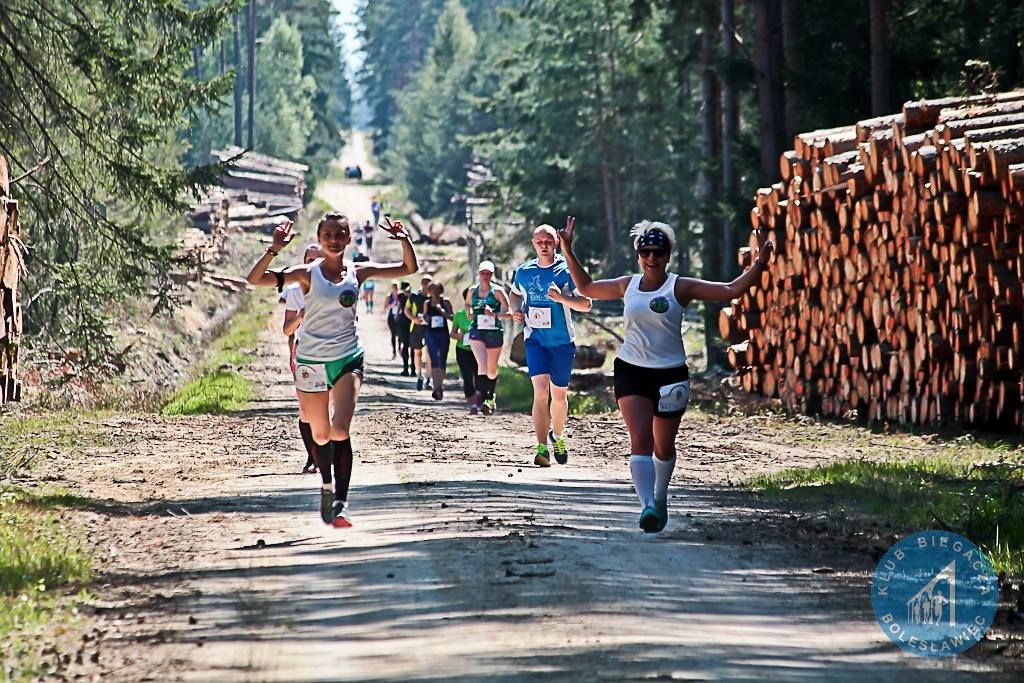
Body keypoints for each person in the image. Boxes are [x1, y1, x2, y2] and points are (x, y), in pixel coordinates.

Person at [557, 216, 773, 533]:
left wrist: (760, 264)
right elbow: (586, 287)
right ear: (638, 256)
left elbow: (730, 290)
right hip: (631, 369)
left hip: (670, 374)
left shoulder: (680, 286)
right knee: (640, 439)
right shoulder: (626, 285)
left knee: (663, 446)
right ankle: (646, 507)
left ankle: (660, 498)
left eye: (658, 252)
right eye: (646, 252)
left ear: (668, 255)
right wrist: (567, 248)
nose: (652, 258)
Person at [246, 213, 418, 527]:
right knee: (321, 433)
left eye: (340, 234)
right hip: (311, 361)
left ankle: (341, 502)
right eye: (328, 234)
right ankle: (326, 484)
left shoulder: (358, 271)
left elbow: (408, 269)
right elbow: (255, 279)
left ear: (349, 238)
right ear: (320, 237)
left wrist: (403, 239)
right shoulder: (306, 274)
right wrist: (273, 249)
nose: (334, 240)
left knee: (340, 429)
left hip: (348, 358)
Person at [510, 224, 592, 467]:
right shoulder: (524, 271)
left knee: (558, 396)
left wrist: (562, 298)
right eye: (539, 241)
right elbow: (515, 294)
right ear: (533, 244)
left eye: (548, 241)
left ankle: (557, 435)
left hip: (562, 343)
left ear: (556, 242)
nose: (544, 245)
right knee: (541, 391)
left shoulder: (567, 270)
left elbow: (586, 304)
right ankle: (541, 448)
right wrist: (515, 310)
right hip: (535, 340)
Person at [281, 243, 324, 473]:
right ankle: (312, 457)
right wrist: (300, 316)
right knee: (307, 410)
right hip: (305, 351)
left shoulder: (335, 287)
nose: (312, 264)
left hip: (331, 352)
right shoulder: (295, 291)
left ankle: (325, 454)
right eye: (309, 259)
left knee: (326, 407)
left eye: (317, 260)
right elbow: (287, 330)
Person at [466, 260, 511, 415]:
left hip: (494, 332)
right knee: (482, 365)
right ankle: (479, 399)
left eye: (488, 273)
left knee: (491, 369)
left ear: (492, 275)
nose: (485, 276)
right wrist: (469, 312)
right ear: (479, 274)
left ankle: (490, 397)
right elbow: (467, 305)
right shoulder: (472, 291)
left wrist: (494, 314)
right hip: (477, 331)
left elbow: (509, 313)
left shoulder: (497, 292)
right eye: (482, 273)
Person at [423, 282, 454, 400]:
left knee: (442, 360)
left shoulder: (445, 302)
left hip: (443, 334)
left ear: (440, 290)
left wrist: (441, 311)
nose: (434, 292)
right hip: (430, 333)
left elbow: (452, 317)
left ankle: (440, 386)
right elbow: (424, 316)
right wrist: (427, 318)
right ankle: (436, 389)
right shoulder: (427, 303)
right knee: (434, 359)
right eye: (431, 289)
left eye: (436, 289)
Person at [404, 275, 433, 391]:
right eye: (424, 282)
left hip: (431, 328)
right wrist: (413, 319)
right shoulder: (414, 296)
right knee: (417, 352)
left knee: (429, 354)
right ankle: (419, 375)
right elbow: (406, 310)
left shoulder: (434, 298)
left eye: (428, 282)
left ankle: (429, 379)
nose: (426, 285)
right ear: (421, 283)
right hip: (417, 328)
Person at [450, 287, 478, 406]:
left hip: (478, 350)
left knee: (479, 377)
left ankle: (480, 402)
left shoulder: (482, 313)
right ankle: (472, 404)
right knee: (467, 377)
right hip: (463, 350)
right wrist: (459, 335)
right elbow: (452, 333)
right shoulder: (459, 314)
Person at [397, 282, 413, 375]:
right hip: (403, 322)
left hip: (412, 322)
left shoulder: (414, 297)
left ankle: (413, 369)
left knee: (413, 347)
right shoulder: (401, 296)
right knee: (405, 345)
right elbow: (400, 305)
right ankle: (406, 368)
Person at [384, 281, 402, 359]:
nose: (395, 289)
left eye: (396, 287)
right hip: (391, 317)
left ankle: (399, 349)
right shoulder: (389, 296)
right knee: (393, 334)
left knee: (401, 334)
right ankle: (394, 351)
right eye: (394, 287)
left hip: (400, 317)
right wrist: (392, 305)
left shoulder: (401, 296)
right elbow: (385, 307)